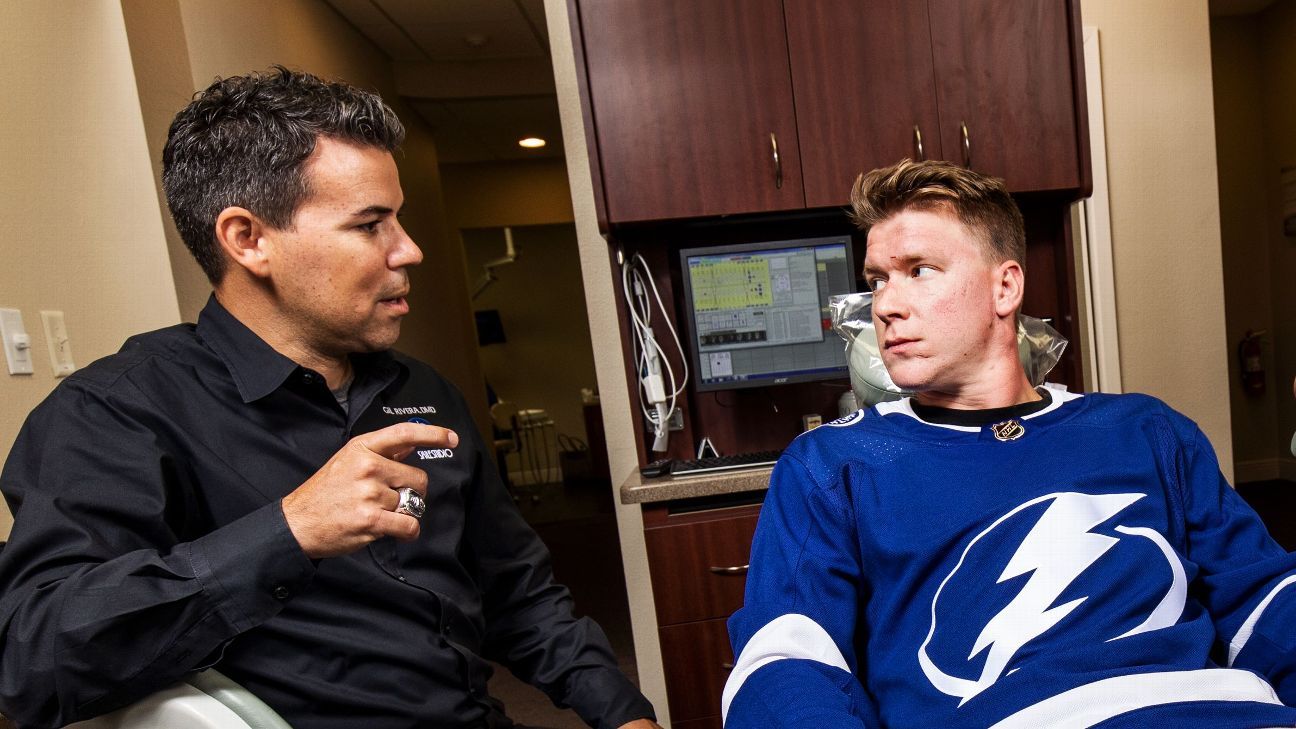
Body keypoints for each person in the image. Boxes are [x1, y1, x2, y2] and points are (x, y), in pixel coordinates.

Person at [0, 67, 658, 729]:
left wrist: (625, 714)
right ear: (248, 238)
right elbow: (34, 658)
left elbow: (518, 593)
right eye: (371, 225)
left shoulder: (425, 392)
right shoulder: (117, 410)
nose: (410, 249)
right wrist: (288, 531)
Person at [722, 159, 1296, 728]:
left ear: (1005, 287)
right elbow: (786, 659)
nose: (886, 305)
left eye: (920, 270)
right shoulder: (834, 464)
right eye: (878, 279)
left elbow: (1264, 598)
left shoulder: (1144, 430)